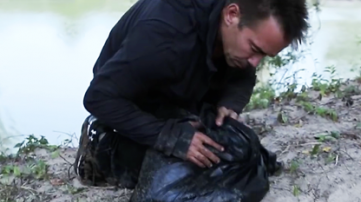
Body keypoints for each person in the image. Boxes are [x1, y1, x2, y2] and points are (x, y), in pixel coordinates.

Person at [73, 0, 309, 188]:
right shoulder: (164, 34)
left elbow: (243, 77)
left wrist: (230, 103)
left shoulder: (236, 35)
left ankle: (181, 118)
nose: (255, 63)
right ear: (231, 14)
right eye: (255, 50)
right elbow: (98, 97)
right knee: (181, 171)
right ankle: (102, 146)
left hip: (181, 89)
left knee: (231, 155)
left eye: (264, 55)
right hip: (131, 100)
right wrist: (170, 137)